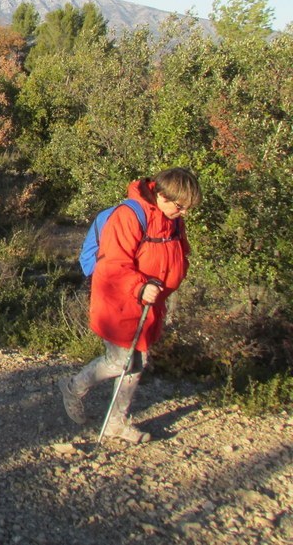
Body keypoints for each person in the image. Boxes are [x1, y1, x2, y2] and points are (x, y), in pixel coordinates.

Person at [58, 167, 201, 444]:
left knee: (138, 361)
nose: (184, 213)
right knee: (121, 361)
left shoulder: (173, 221)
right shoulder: (129, 216)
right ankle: (73, 387)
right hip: (118, 300)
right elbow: (112, 264)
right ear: (161, 194)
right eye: (180, 206)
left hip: (149, 303)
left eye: (187, 208)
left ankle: (116, 422)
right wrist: (139, 286)